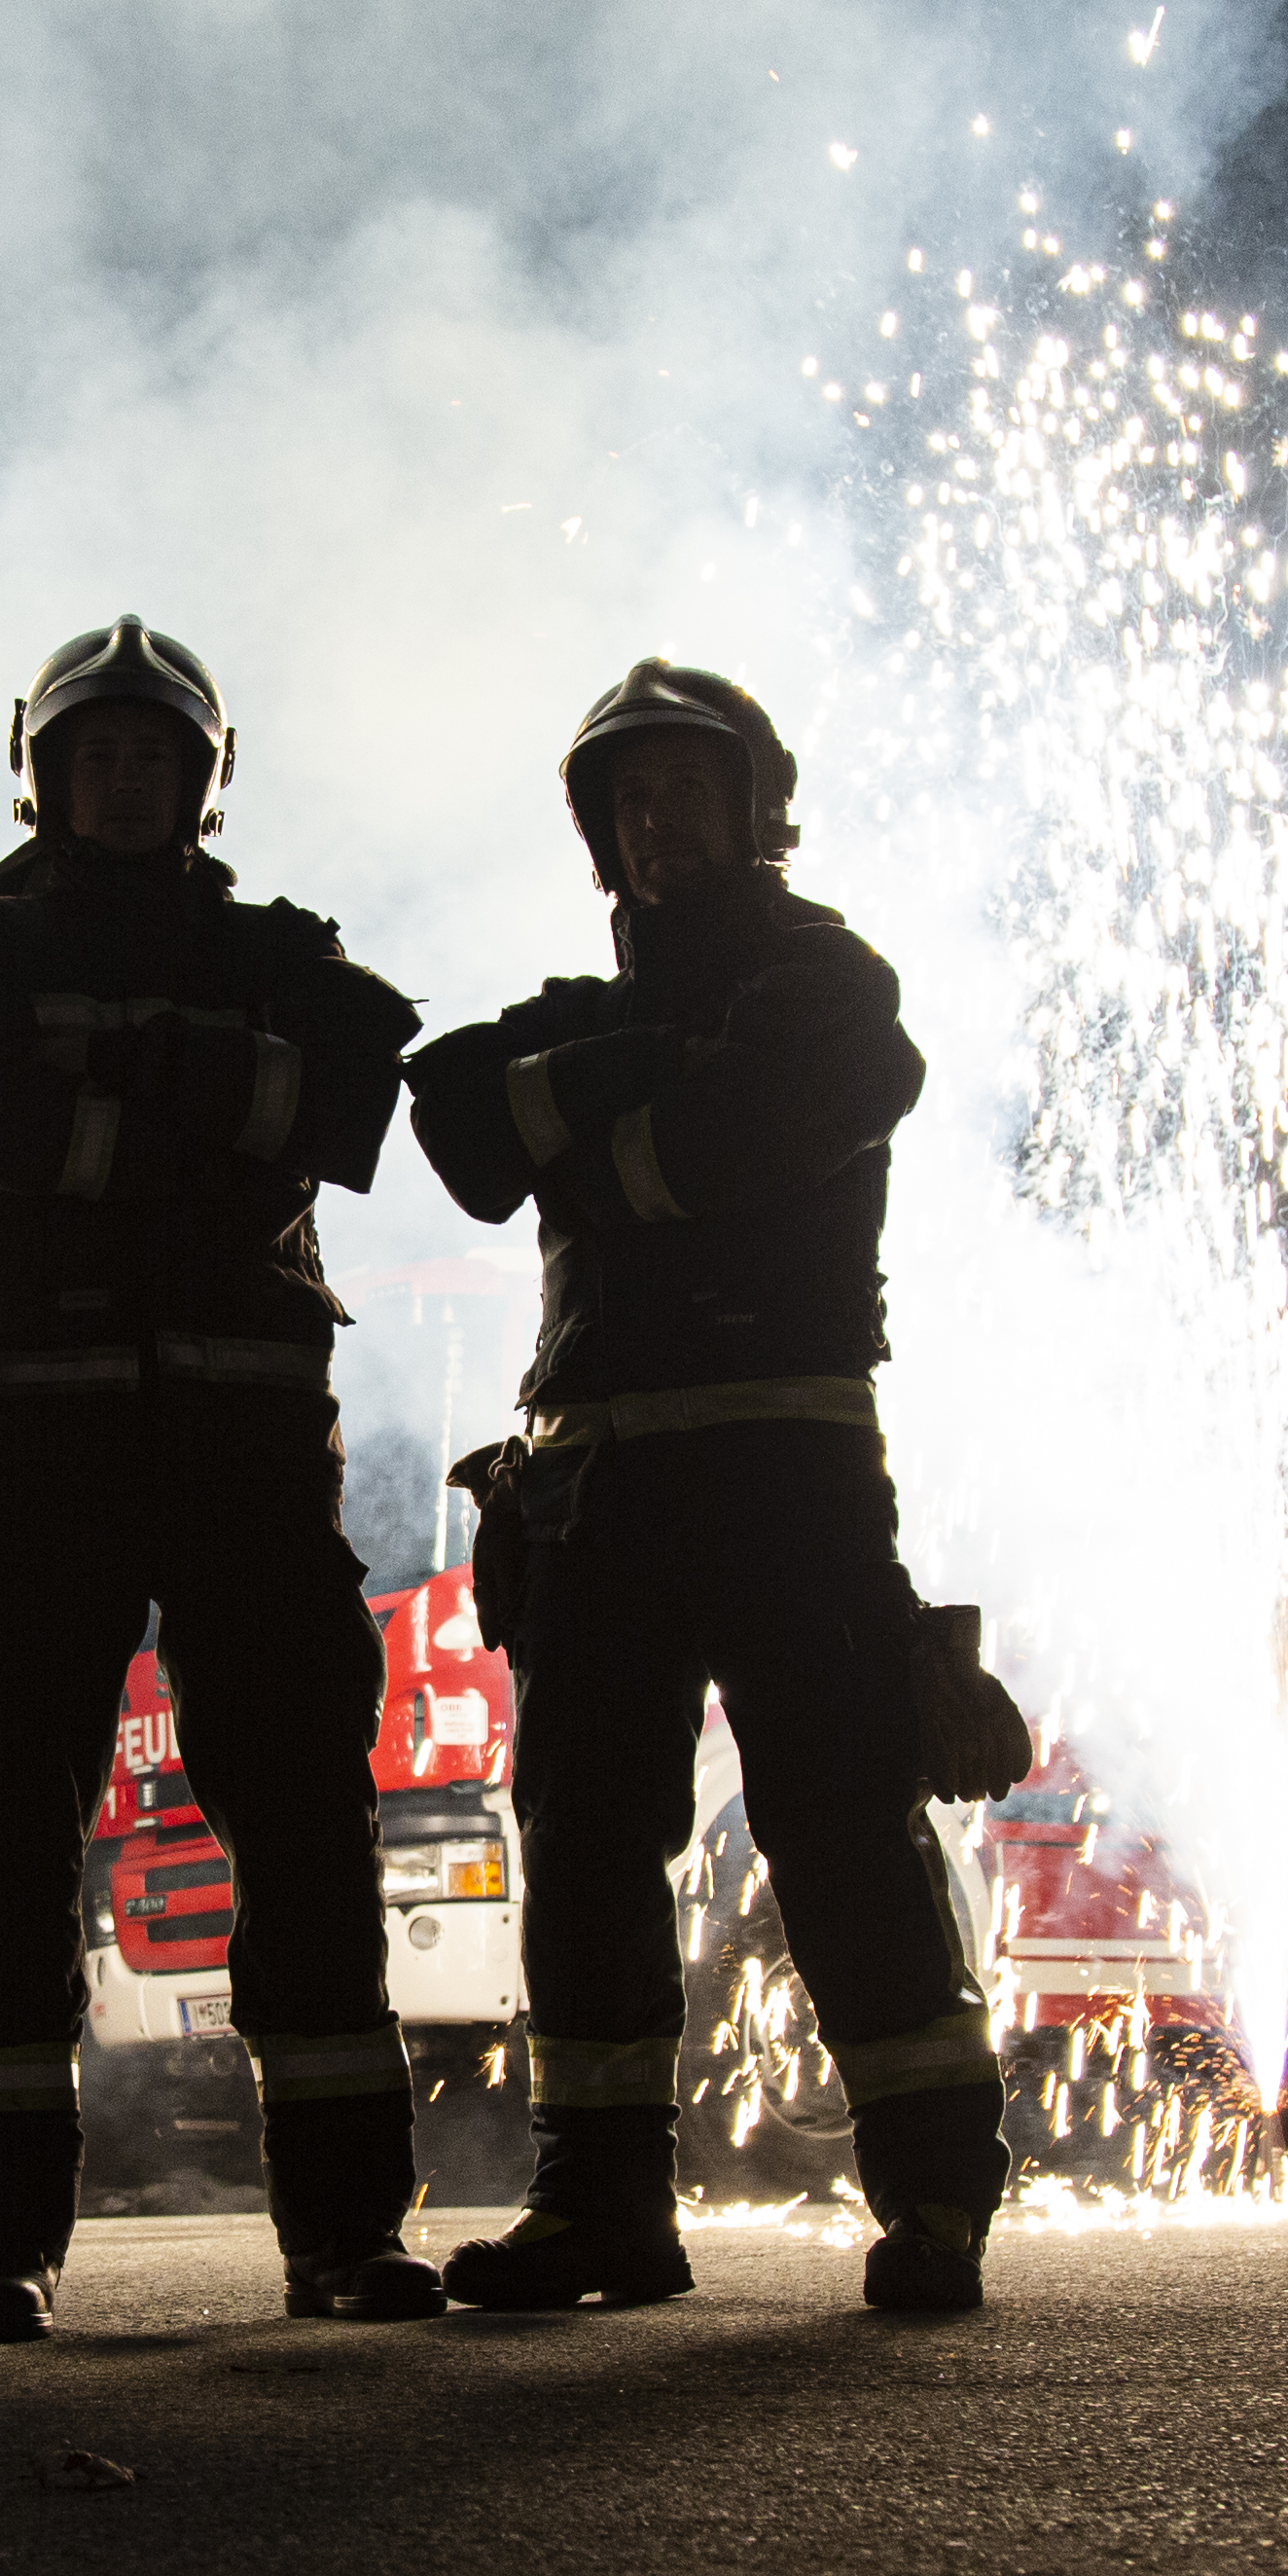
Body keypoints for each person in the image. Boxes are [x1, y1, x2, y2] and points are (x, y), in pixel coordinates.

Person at [401, 659, 1017, 2316]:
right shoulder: (593, 1011)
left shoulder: (829, 978)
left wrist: (585, 1127)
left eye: (688, 787)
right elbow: (458, 1127)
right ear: (600, 834)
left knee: (839, 1827)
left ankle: (938, 2203)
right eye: (631, 797)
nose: (658, 818)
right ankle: (603, 2211)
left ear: (762, 809)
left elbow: (747, 1137)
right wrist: (638, 1094)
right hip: (598, 1481)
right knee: (587, 1843)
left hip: (785, 1474)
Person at [0, 619, 436, 2340]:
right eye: (94, 755)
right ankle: (1, 2249)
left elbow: (339, 1112)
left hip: (244, 1451)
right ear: (44, 773)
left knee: (302, 1819)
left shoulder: (284, 949)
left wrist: (94, 1098)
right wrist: (205, 1110)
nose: (124, 783)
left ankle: (347, 2237)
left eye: (154, 757)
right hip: (47, 1446)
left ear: (204, 779)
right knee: (11, 1832)